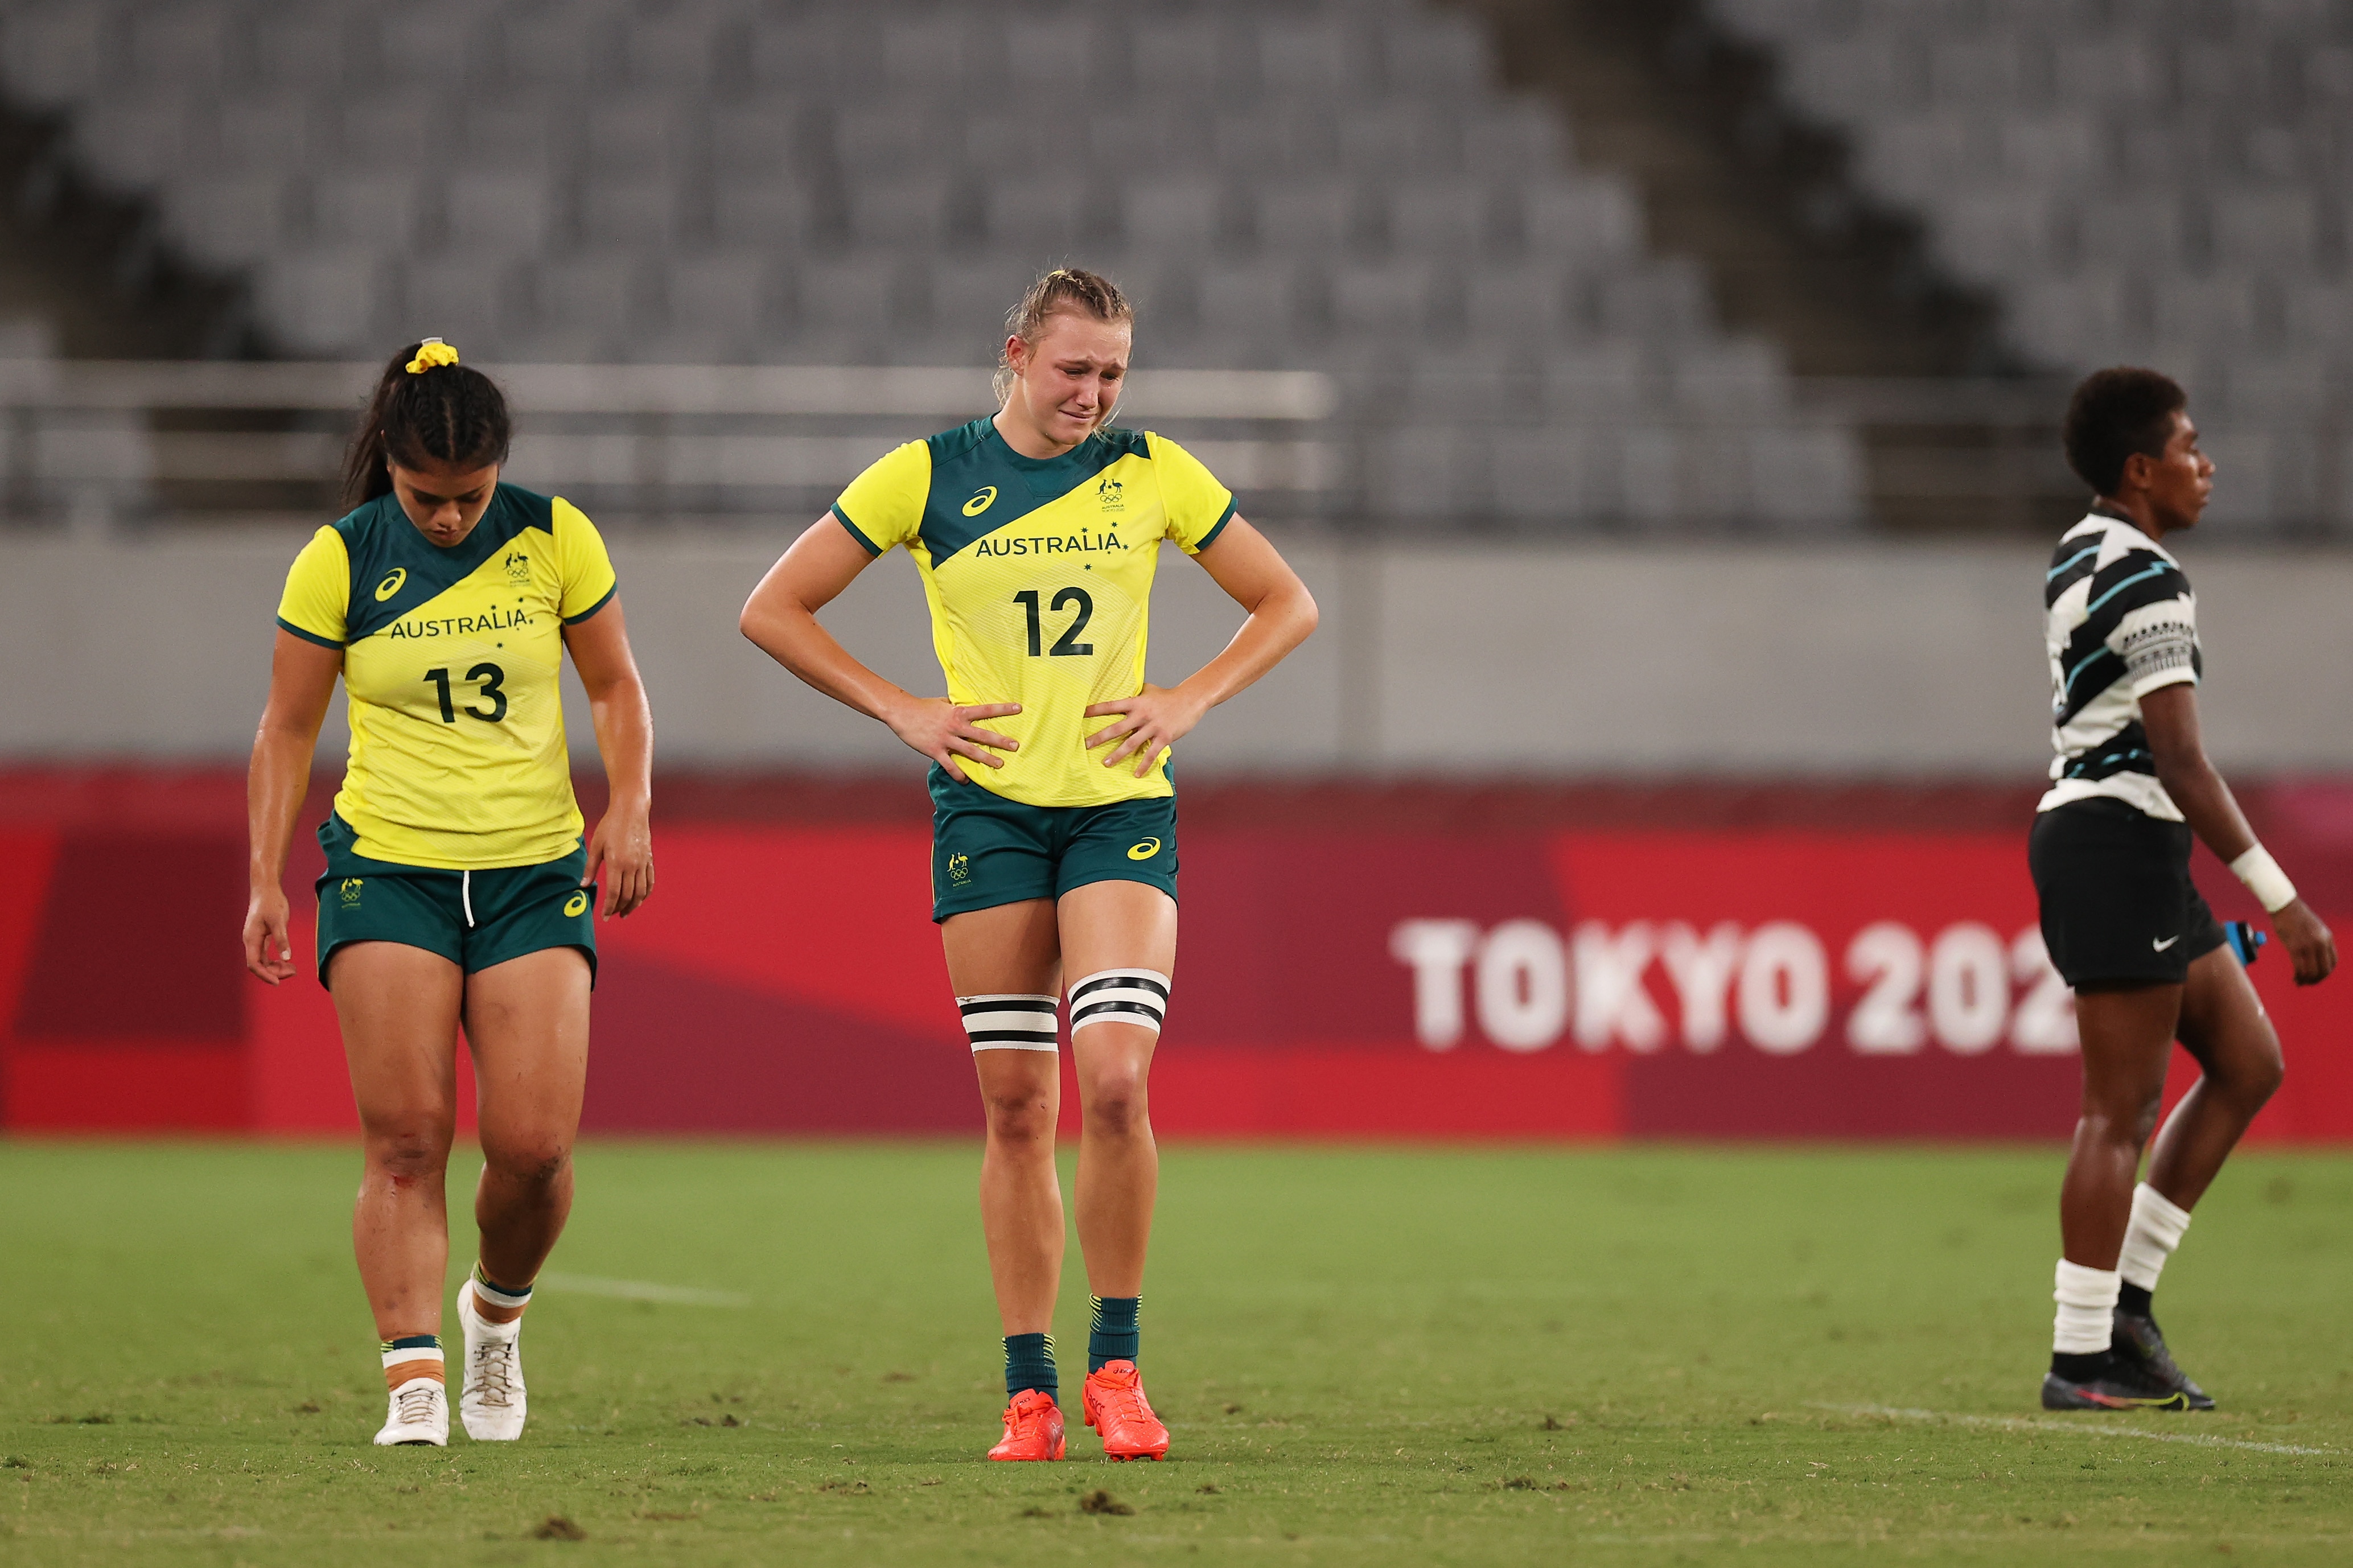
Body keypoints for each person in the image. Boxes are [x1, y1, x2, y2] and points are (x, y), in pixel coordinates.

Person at [739, 268, 1317, 1462]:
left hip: (1116, 811)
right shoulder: (927, 474)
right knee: (1016, 1108)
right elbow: (774, 608)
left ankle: (1117, 1368)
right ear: (1017, 355)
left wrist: (1188, 698)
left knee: (1112, 1080)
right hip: (990, 817)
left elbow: (1286, 602)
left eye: (1112, 372)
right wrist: (903, 709)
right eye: (1074, 369)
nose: (1093, 393)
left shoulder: (1152, 472)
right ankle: (1029, 1392)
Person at [242, 339, 656, 1446]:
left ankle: (495, 1318)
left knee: (534, 1150)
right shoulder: (339, 559)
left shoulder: (553, 535)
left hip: (531, 872)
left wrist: (630, 804)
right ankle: (414, 1377)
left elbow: (614, 684)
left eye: (470, 497)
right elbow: (287, 729)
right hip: (389, 870)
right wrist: (265, 880)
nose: (450, 518)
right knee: (409, 1139)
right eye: (428, 497)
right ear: (390, 465)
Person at [2029, 367, 2334, 1411]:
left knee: (2247, 1062)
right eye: (2191, 448)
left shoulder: (2083, 551)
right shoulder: (2146, 574)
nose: (2208, 467)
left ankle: (2124, 1311)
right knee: (2116, 1113)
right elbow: (2180, 761)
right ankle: (2079, 1359)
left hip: (2127, 844)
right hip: (2115, 841)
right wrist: (2279, 897)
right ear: (2139, 468)